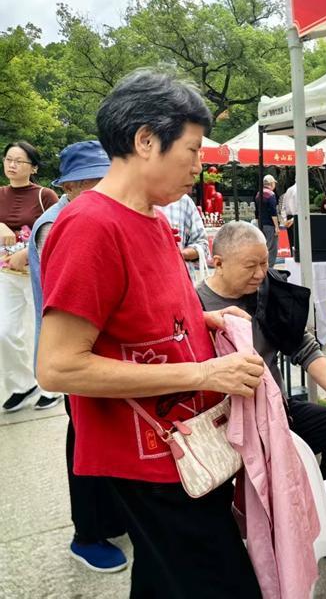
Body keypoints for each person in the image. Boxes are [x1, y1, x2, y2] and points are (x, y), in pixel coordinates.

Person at [36, 69, 266, 597]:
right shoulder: (90, 225)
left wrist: (204, 320)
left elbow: (146, 314)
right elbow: (59, 366)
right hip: (151, 457)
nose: (198, 165)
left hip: (189, 444)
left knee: (166, 577)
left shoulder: (156, 220)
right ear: (145, 141)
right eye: (192, 149)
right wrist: (204, 372)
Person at [28, 140, 129, 571]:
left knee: (105, 439)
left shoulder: (86, 213)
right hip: (77, 359)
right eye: (93, 180)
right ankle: (86, 534)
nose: (104, 186)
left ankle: (109, 519)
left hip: (99, 355)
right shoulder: (60, 224)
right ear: (70, 186)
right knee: (86, 443)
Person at [196, 221, 326, 474]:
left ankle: (324, 492)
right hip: (226, 425)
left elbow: (303, 346)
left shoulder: (268, 291)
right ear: (218, 263)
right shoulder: (195, 305)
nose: (260, 274)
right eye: (250, 266)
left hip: (278, 412)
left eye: (264, 263)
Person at [0, 141, 59, 411]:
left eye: (19, 161)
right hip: (6, 274)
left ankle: (51, 386)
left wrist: (27, 251)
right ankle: (22, 384)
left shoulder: (45, 195)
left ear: (33, 168)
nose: (12, 165)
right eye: (8, 159)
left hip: (38, 273)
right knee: (4, 331)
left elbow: (59, 228)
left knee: (45, 329)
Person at [157, 194, 209, 276]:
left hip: (179, 277)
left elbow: (203, 245)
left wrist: (179, 254)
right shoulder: (134, 203)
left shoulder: (183, 201)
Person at [255, 173, 279, 266]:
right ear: (271, 183)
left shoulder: (258, 194)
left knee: (264, 246)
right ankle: (269, 267)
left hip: (261, 224)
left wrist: (258, 224)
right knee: (272, 247)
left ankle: (262, 265)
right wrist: (276, 226)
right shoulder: (271, 194)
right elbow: (273, 212)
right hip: (270, 224)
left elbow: (256, 211)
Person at [281, 182, 298, 250]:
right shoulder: (299, 190)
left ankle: (293, 254)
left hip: (289, 217)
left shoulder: (289, 190)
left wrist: (285, 220)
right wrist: (292, 220)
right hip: (296, 218)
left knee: (291, 242)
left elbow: (283, 206)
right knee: (297, 242)